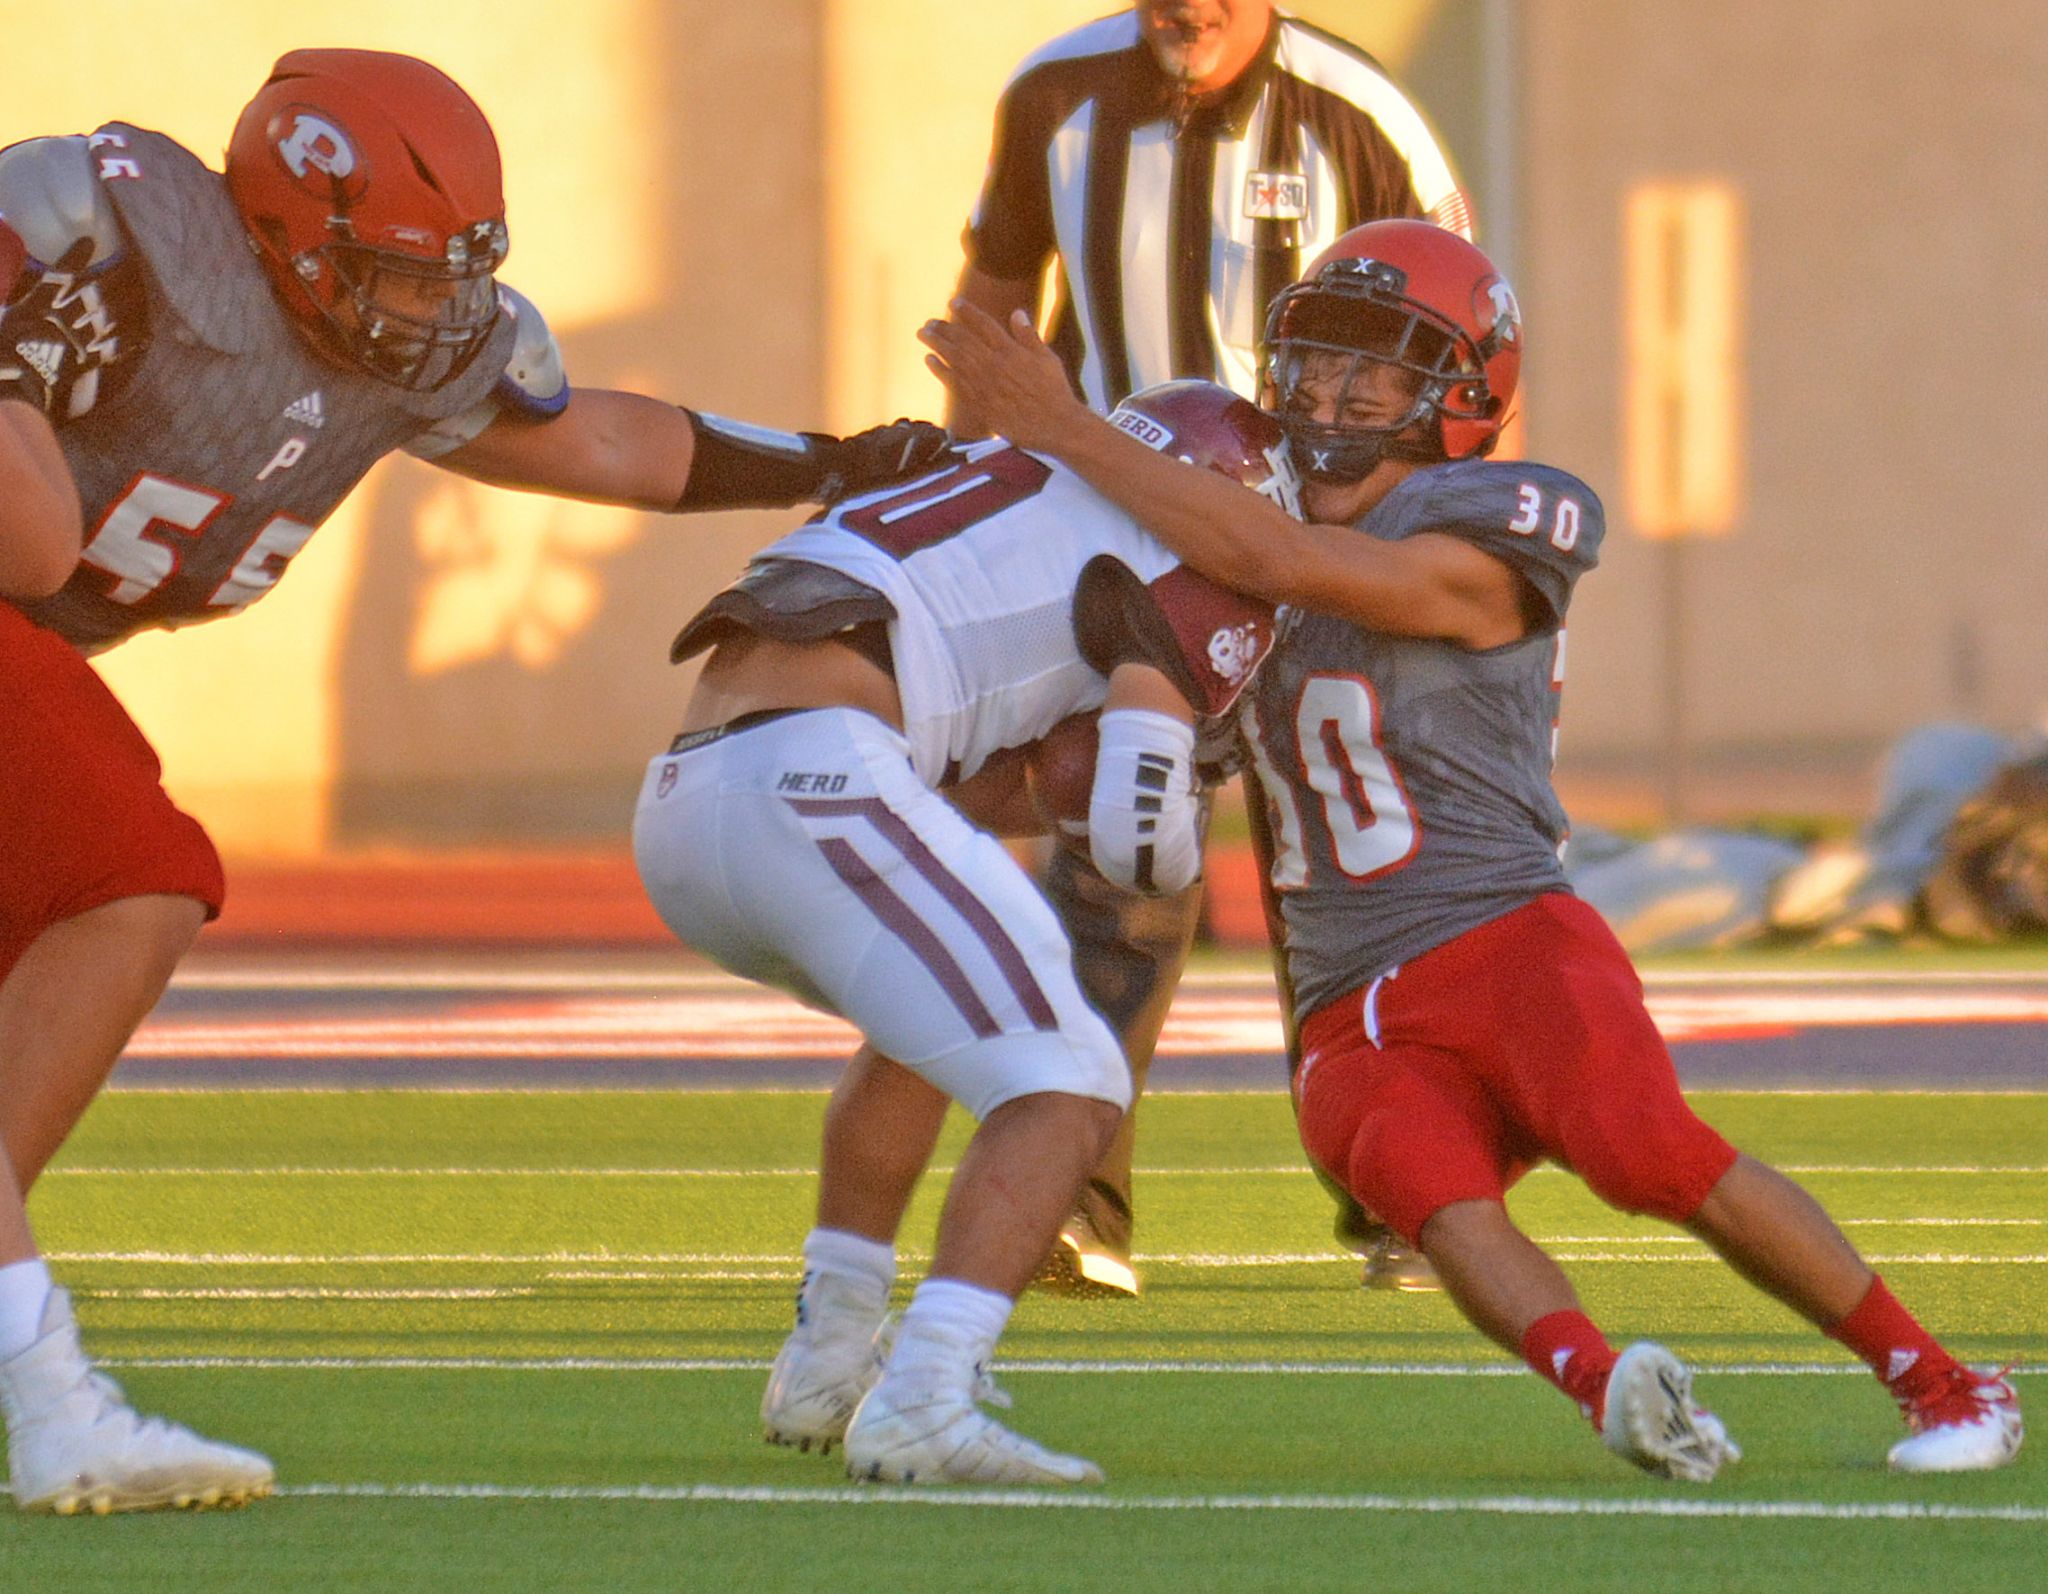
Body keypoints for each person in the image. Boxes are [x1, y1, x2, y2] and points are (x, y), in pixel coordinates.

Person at [919, 219, 2024, 1478]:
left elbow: (1288, 558)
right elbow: (1103, 747)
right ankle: (1614, 1392)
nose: (1329, 394)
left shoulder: (1492, 519)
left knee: (1644, 1154)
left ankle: (1946, 1384)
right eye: (1314, 362)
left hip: (1499, 937)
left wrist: (1065, 427)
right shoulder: (1233, 560)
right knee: (1422, 1189)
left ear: (1459, 391)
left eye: (1374, 369)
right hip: (1343, 996)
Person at [0, 48, 945, 1516]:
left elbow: (606, 439)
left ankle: (42, 1386)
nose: (436, 309)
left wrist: (837, 465)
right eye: (399, 271)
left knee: (120, 895)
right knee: (131, 876)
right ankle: (50, 1400)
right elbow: (37, 550)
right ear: (294, 229)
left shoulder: (398, 358)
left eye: (454, 273)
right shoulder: (102, 236)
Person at [632, 381, 1294, 1485]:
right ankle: (926, 1395)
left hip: (694, 799)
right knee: (1072, 1082)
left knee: (929, 1030)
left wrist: (1054, 774)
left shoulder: (1000, 483)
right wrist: (1176, 814)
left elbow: (972, 768)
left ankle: (830, 1357)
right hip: (815, 781)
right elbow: (1137, 841)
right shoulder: (1172, 556)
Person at [954, 0, 1467, 1296]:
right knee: (1115, 854)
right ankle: (1072, 1204)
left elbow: (1470, 355)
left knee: (1352, 869)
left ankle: (1410, 1198)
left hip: (1314, 537)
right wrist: (976, 498)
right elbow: (996, 310)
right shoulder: (1053, 94)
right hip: (1116, 541)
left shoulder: (1363, 114)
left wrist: (1435, 563)